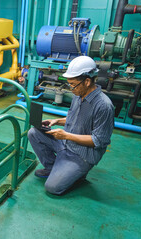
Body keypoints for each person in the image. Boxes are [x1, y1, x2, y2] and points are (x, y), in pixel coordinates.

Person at [27, 56, 114, 195]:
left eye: (73, 84)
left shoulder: (104, 106)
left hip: (82, 155)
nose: (70, 88)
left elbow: (99, 140)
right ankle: (52, 167)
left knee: (52, 188)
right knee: (33, 133)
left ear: (87, 81)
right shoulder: (78, 95)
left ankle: (76, 173)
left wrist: (66, 135)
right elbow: (74, 117)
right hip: (66, 143)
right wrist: (56, 121)